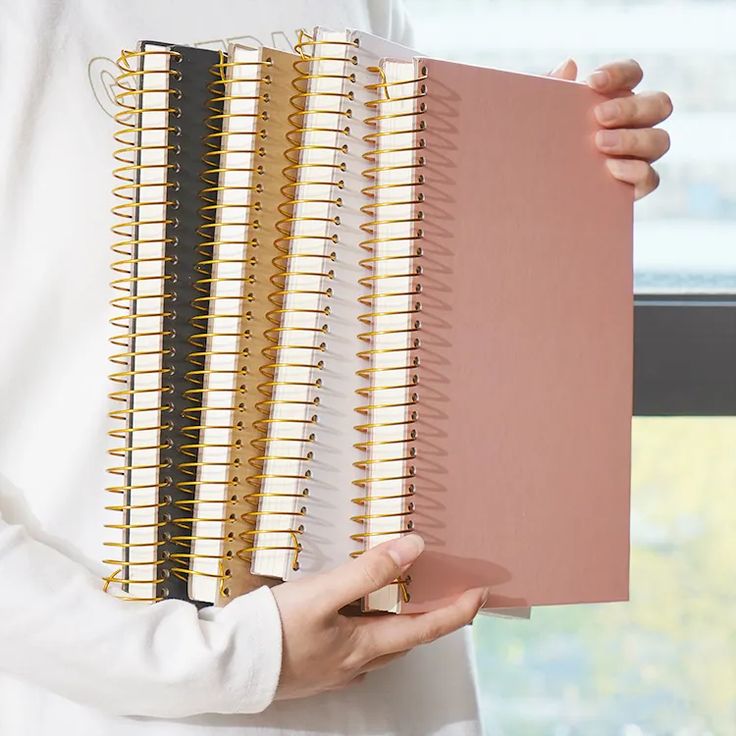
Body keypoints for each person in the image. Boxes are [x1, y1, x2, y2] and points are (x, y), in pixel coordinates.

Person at [0, 1, 672, 734]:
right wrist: (229, 657)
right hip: (112, 711)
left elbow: (382, 344)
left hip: (394, 699)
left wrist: (540, 178)